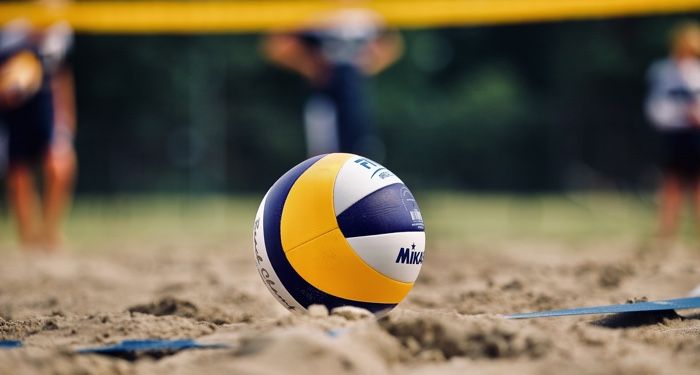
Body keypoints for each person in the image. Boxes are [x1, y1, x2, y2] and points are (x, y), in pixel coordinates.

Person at [263, 8, 403, 158]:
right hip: (324, 95)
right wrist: (311, 67)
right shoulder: (309, 11)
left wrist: (364, 67)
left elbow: (393, 45)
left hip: (355, 97)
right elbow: (276, 45)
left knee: (361, 151)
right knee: (324, 155)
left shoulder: (366, 11)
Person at [0, 19, 77, 251]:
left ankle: (49, 234)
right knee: (18, 171)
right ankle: (27, 240)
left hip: (45, 102)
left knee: (60, 163)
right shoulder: (9, 25)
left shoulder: (59, 30)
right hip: (11, 106)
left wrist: (69, 113)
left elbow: (62, 74)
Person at [646, 21, 700, 239]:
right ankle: (666, 232)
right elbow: (655, 106)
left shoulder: (697, 71)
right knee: (672, 184)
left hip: (695, 133)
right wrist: (679, 114)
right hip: (674, 133)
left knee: (698, 184)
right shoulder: (662, 70)